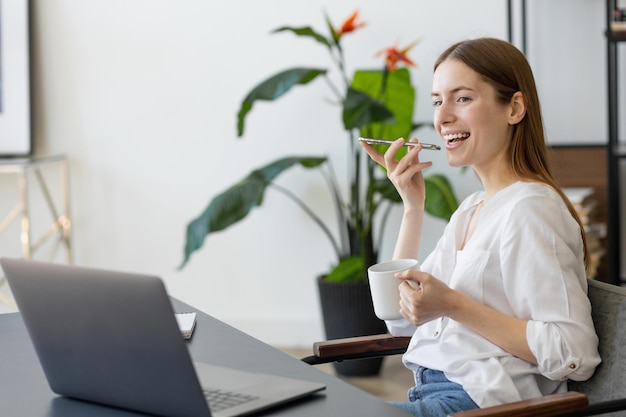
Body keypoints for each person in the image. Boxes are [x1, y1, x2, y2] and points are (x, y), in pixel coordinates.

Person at [360, 37, 601, 417]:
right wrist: (413, 208)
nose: (442, 117)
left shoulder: (531, 209)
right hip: (432, 393)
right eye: (438, 101)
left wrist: (454, 305)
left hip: (482, 403)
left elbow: (573, 352)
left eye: (463, 98)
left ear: (515, 108)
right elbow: (399, 318)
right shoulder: (473, 208)